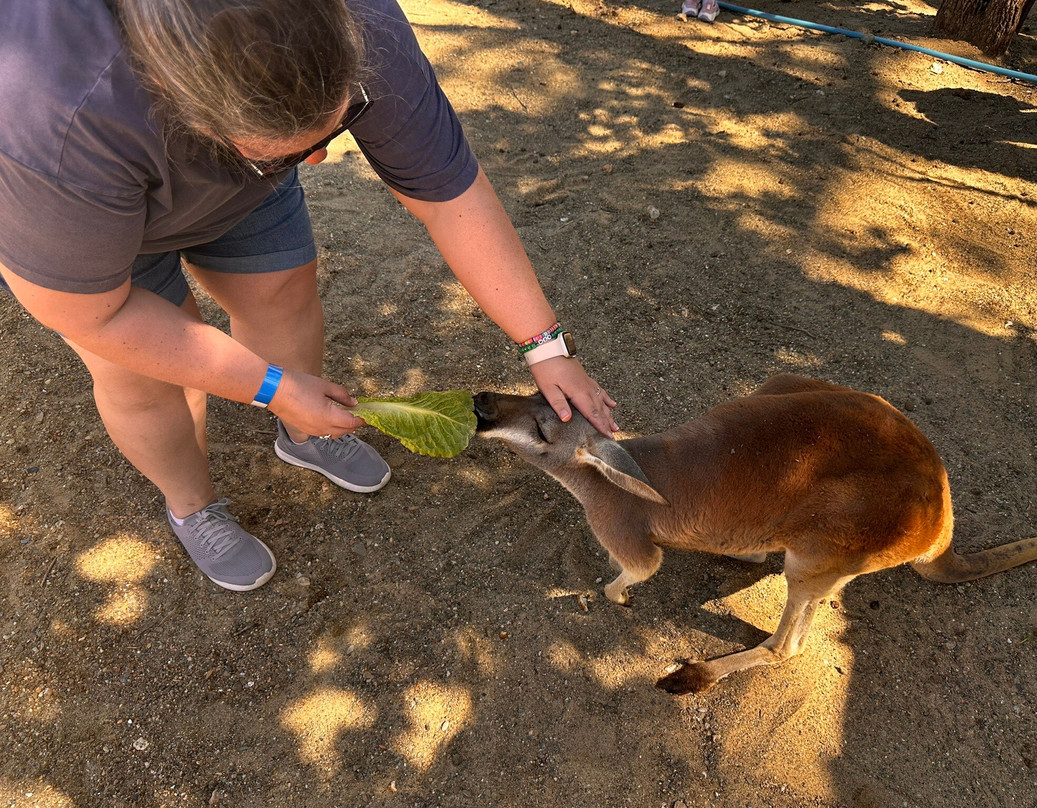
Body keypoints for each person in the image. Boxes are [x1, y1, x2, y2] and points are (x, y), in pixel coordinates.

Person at [0, 0, 619, 592]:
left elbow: (447, 190)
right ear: (186, 109)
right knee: (148, 379)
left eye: (339, 122)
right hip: (93, 230)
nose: (321, 160)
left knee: (284, 289)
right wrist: (267, 385)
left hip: (238, 176)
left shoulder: (359, 20)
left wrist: (546, 345)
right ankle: (192, 507)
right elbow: (91, 314)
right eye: (292, 151)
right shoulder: (53, 115)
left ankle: (303, 435)